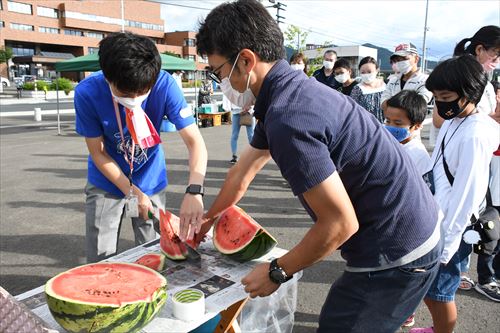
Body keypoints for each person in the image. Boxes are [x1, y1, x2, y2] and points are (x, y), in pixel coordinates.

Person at [193, 1, 441, 332]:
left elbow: (339, 224)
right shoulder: (284, 93)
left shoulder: (288, 117)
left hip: (398, 251)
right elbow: (243, 173)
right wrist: (207, 222)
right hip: (405, 228)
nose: (219, 80)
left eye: (218, 71)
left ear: (246, 60)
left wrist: (277, 271)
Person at [74, 32, 208, 263]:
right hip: (106, 181)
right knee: (100, 255)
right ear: (108, 77)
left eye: (143, 91)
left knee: (153, 250)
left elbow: (195, 142)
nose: (135, 99)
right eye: (125, 94)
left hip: (151, 179)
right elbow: (97, 152)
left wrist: (194, 191)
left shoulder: (164, 85)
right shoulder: (87, 92)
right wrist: (132, 191)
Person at [409, 55, 499, 333]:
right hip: (437, 216)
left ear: (471, 92)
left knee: (441, 291)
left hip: (453, 227)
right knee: (430, 288)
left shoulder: (475, 133)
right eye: (436, 97)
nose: (440, 104)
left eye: (446, 96)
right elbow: (437, 166)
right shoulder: (453, 121)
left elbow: (467, 196)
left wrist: (448, 246)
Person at [384, 90, 430, 176]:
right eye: (388, 121)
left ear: (417, 126)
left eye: (398, 123)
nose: (390, 126)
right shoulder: (387, 144)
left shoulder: (418, 155)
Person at [381, 43, 433, 112]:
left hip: (411, 122)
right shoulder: (393, 81)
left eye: (404, 59)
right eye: (397, 60)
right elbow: (383, 104)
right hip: (390, 122)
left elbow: (419, 103)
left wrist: (392, 102)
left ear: (416, 59)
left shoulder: (425, 80)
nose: (400, 62)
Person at [350, 56, 386, 122]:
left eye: (369, 72)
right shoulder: (357, 89)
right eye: (363, 72)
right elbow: (353, 111)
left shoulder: (386, 85)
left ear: (377, 70)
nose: (366, 74)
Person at [222, 94, 255, 164]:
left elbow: (254, 95)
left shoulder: (249, 84)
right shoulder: (232, 85)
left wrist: (249, 107)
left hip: (249, 111)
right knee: (235, 135)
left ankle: (253, 156)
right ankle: (234, 155)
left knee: (251, 135)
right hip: (236, 112)